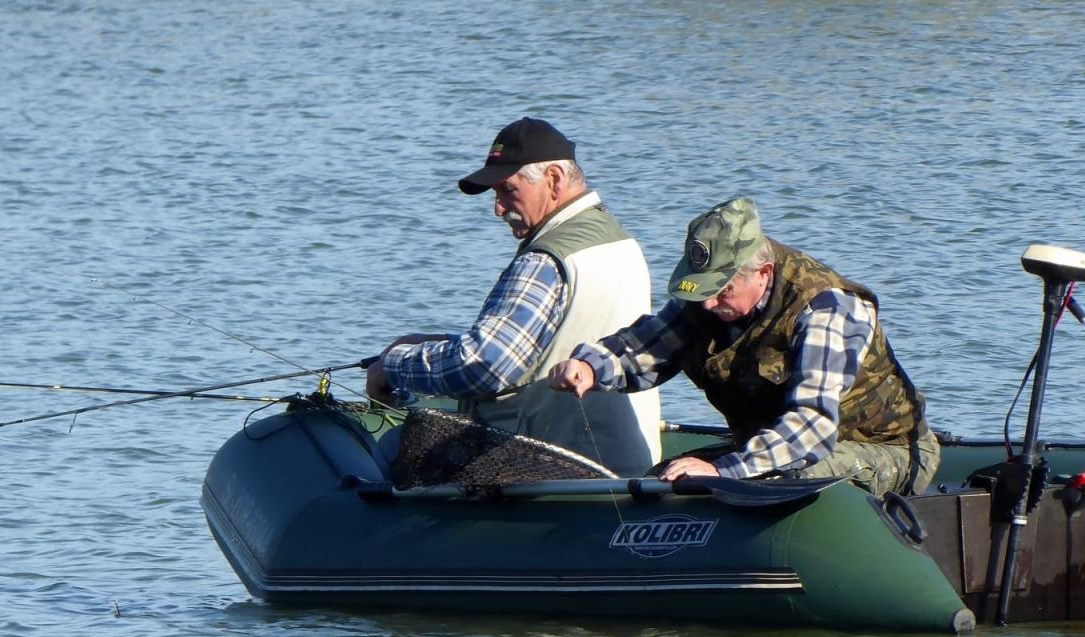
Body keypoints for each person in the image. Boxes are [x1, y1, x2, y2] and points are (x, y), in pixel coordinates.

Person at [547, 196, 937, 496]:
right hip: (768, 446)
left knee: (788, 480)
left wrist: (722, 471)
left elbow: (811, 428)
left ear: (763, 273)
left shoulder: (825, 309)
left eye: (722, 291)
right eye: (703, 292)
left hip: (881, 449)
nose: (709, 304)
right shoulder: (709, 303)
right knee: (663, 480)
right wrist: (591, 365)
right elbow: (651, 344)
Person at [365, 117, 661, 475]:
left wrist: (393, 364)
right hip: (630, 463)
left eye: (507, 190)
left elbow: (486, 366)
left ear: (554, 179)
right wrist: (432, 343)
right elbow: (551, 339)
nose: (498, 209)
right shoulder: (620, 242)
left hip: (550, 470)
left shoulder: (546, 259)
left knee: (385, 453)